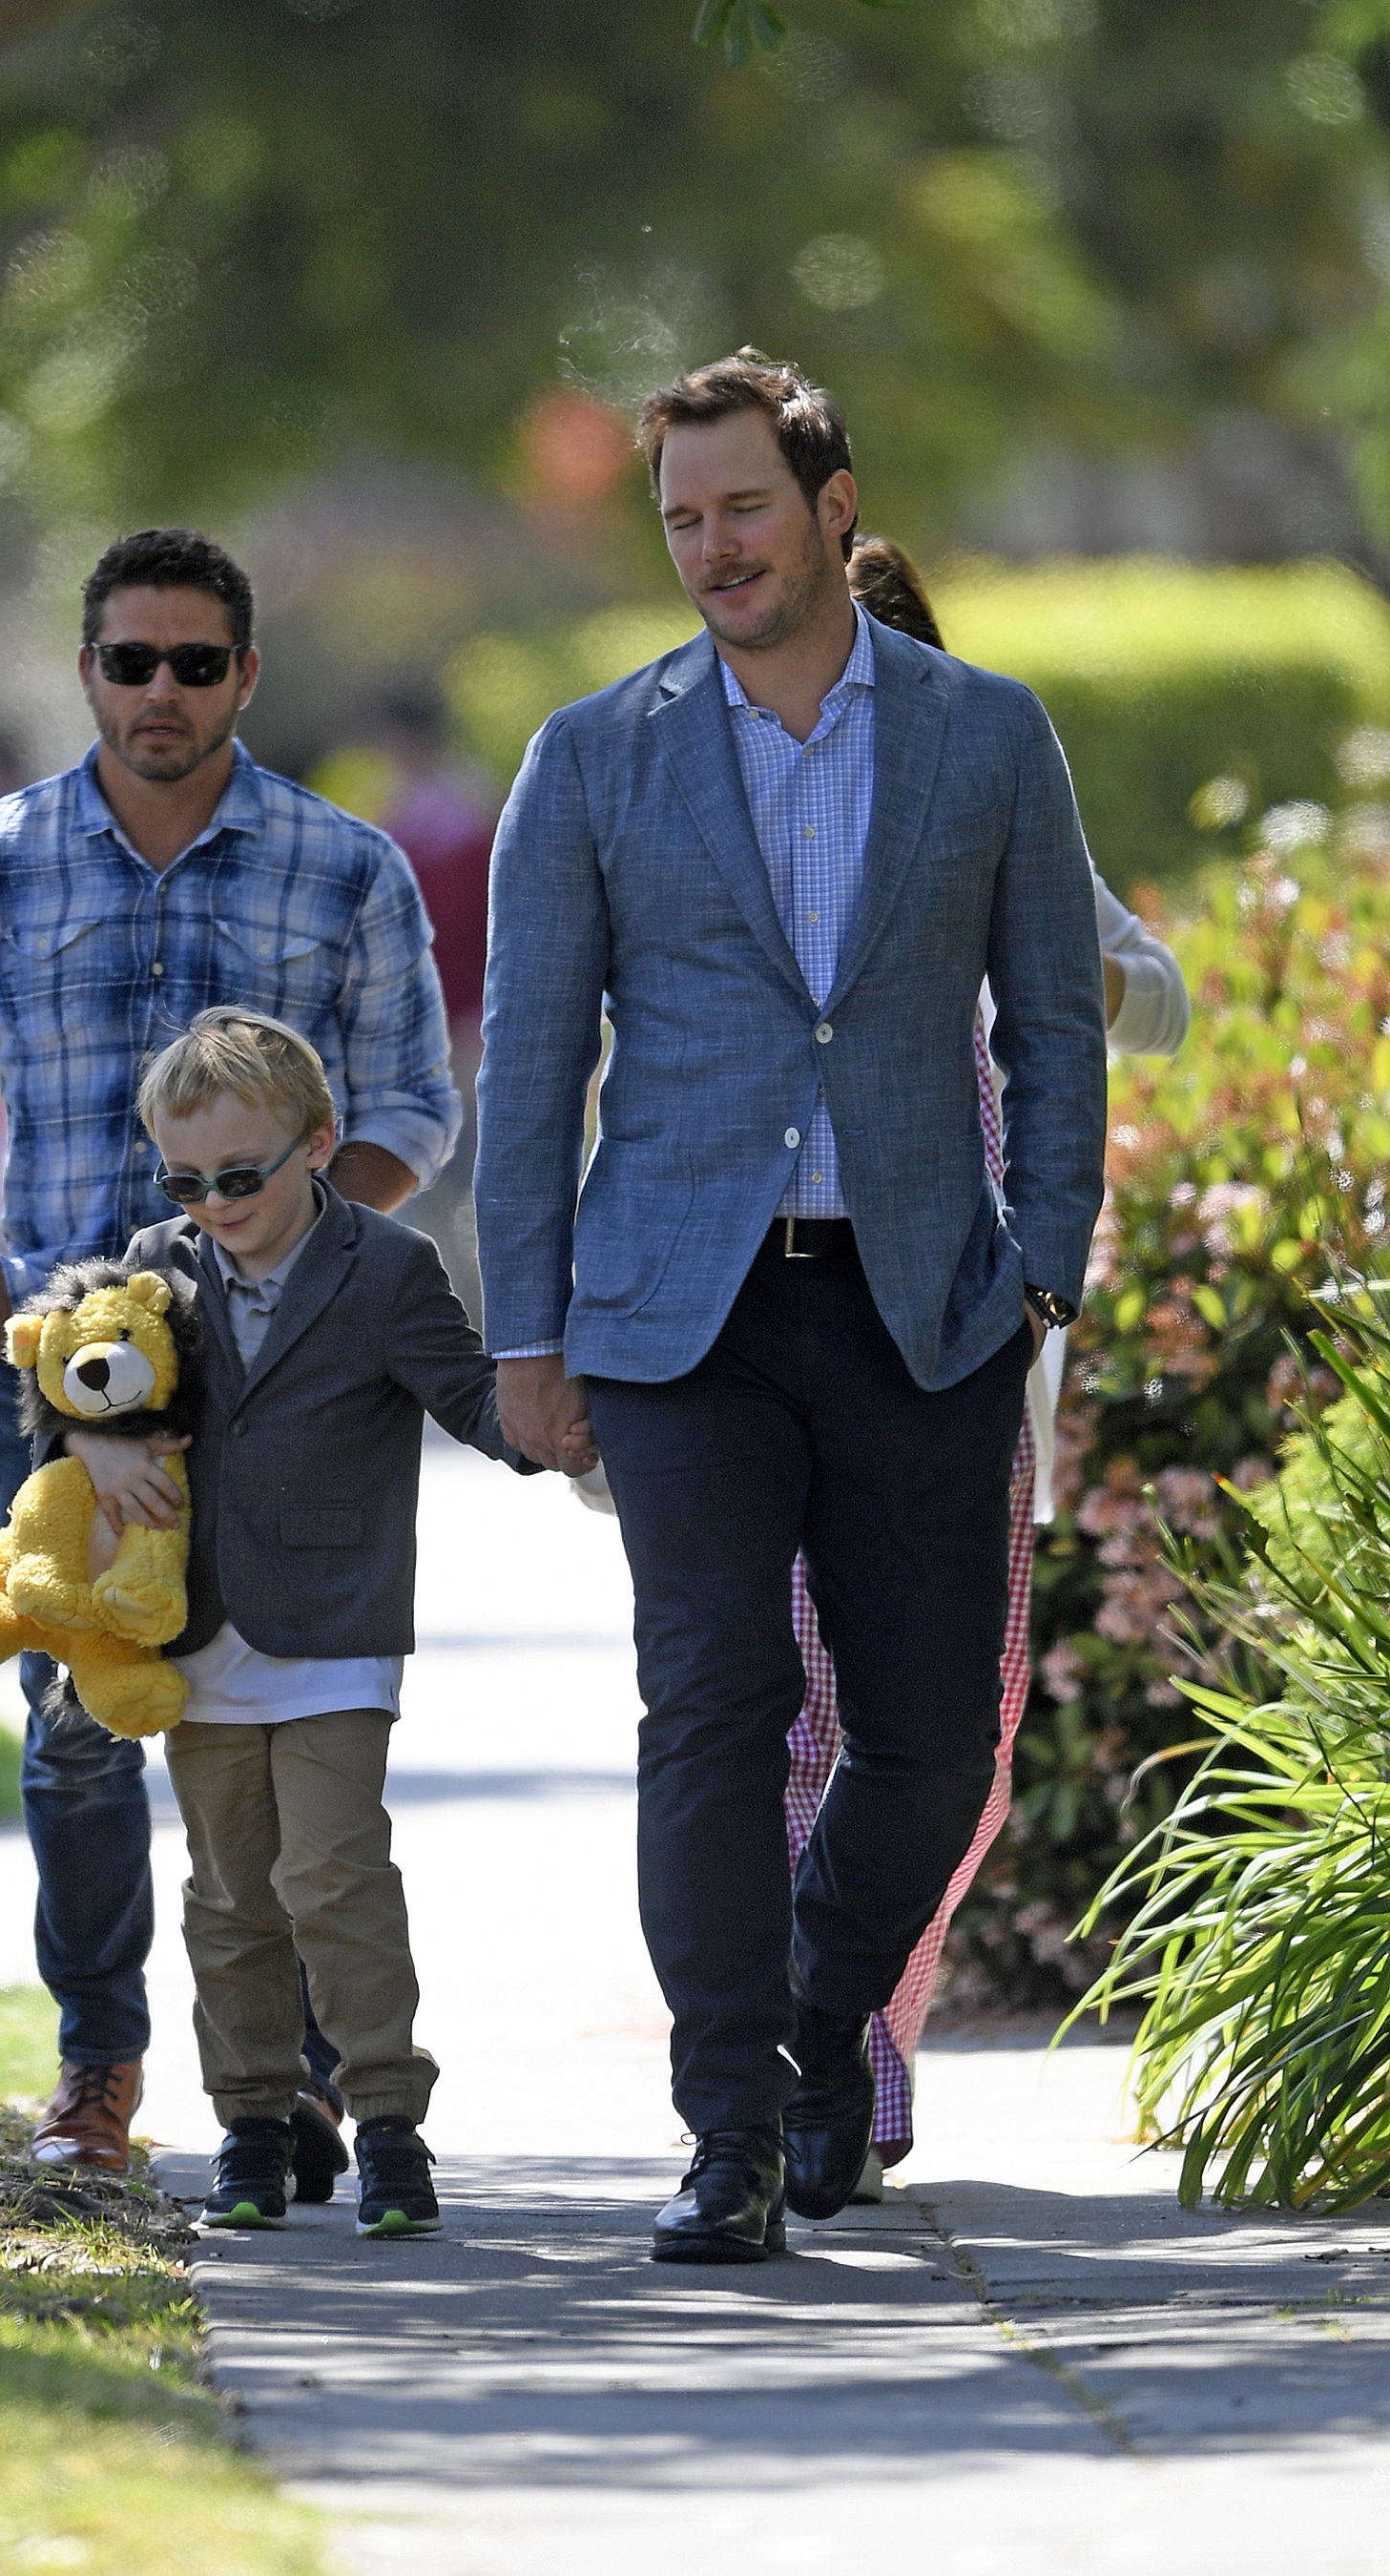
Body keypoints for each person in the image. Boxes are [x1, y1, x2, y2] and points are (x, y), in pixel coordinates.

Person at [474, 348, 1108, 2263]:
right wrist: (527, 1332)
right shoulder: (595, 752)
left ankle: (823, 2026)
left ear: (834, 509)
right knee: (716, 1706)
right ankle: (729, 2128)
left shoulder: (986, 737)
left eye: (743, 507)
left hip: (924, 1302)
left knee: (929, 1738)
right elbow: (532, 1066)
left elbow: (1061, 1025)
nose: (712, 547)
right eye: (681, 518)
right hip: (683, 1315)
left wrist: (1047, 1256)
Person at [0, 528, 461, 2178]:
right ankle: (98, 2069)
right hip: (67, 1367)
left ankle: (312, 2073)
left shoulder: (343, 867)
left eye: (198, 662)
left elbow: (410, 1101)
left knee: (281, 1712)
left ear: (247, 676)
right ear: (90, 672)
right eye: (133, 661)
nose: (163, 691)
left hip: (283, 1372)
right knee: (81, 1712)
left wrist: (312, 1250)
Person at [784, 541, 1188, 2187]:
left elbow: (1151, 997)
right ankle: (824, 2082)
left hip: (966, 1353)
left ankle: (844, 2032)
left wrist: (1030, 966)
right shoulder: (738, 837)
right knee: (793, 1717)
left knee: (960, 1734)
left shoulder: (998, 807)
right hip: (767, 1345)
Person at [72, 1008, 555, 2232]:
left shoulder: (385, 1269)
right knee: (230, 1895)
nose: (215, 1201)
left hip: (337, 1626)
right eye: (189, 1179)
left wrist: (568, 1429)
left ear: (321, 1143)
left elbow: (476, 1402)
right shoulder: (153, 1262)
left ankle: (389, 2119)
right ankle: (254, 2120)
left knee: (333, 1876)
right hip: (201, 1627)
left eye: (241, 1176)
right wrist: (90, 1435)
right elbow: (71, 1370)